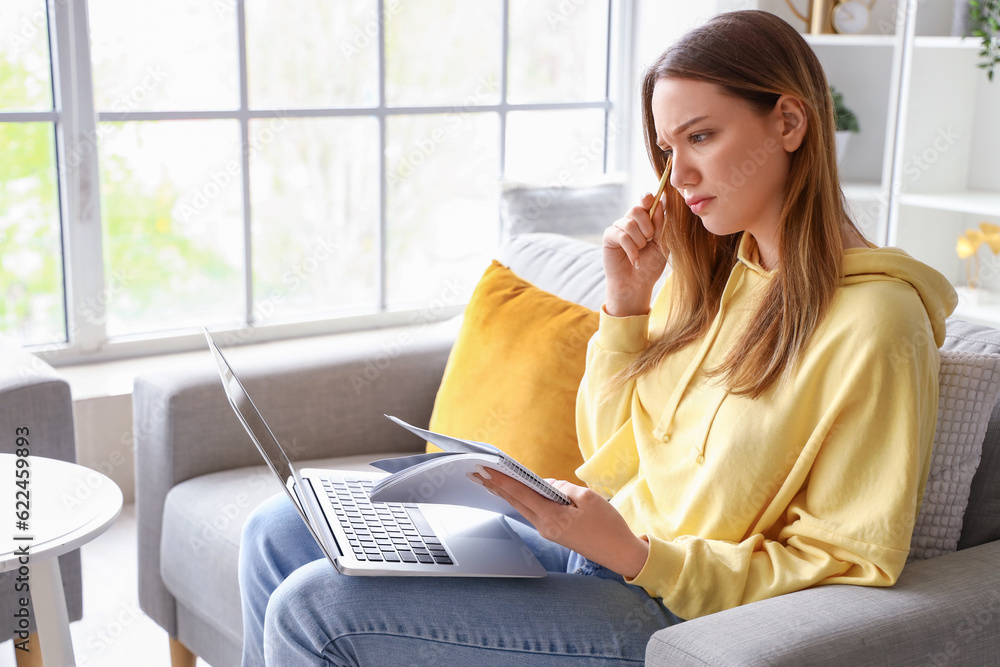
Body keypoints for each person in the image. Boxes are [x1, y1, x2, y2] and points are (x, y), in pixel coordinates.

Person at [238, 9, 957, 665]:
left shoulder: (877, 324)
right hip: (588, 554)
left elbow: (847, 562)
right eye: (669, 149)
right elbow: (610, 458)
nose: (681, 176)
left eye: (702, 136)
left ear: (789, 123)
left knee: (317, 610)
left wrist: (640, 555)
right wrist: (626, 304)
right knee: (279, 527)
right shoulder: (704, 271)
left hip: (662, 609)